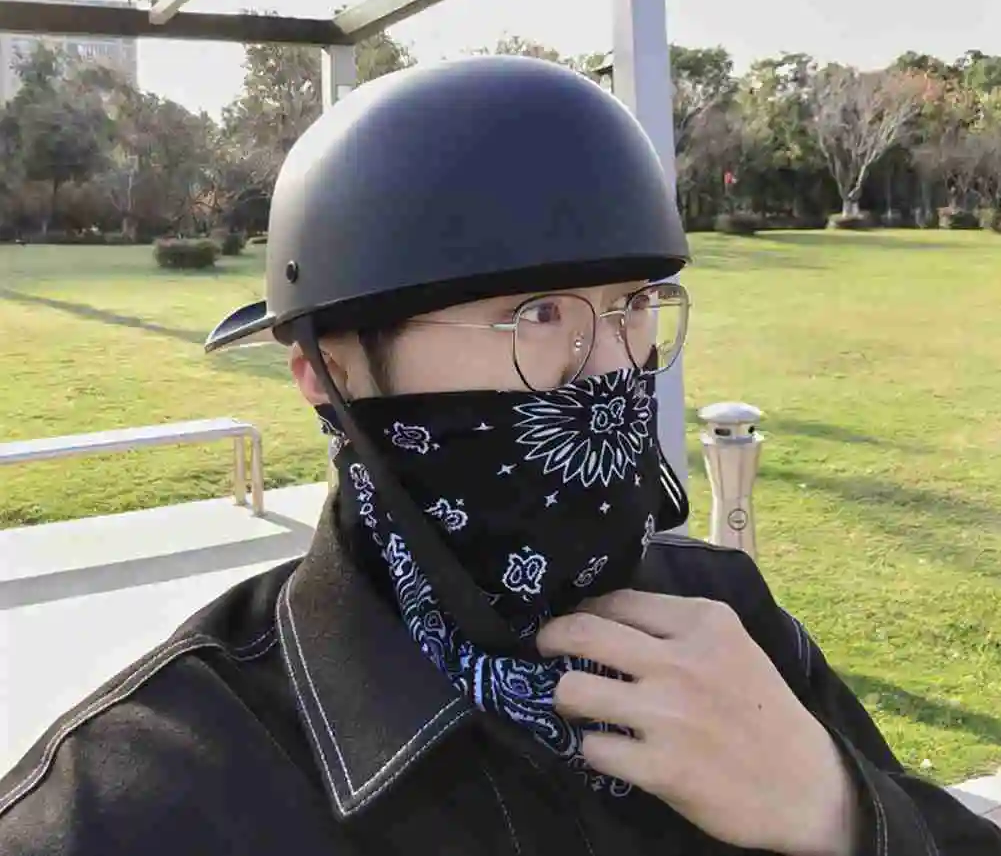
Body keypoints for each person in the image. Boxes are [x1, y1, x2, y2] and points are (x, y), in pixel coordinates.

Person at [0, 56, 996, 856]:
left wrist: (835, 807)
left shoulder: (726, 618)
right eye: (538, 314)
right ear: (327, 367)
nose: (611, 369)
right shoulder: (134, 801)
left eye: (633, 307)